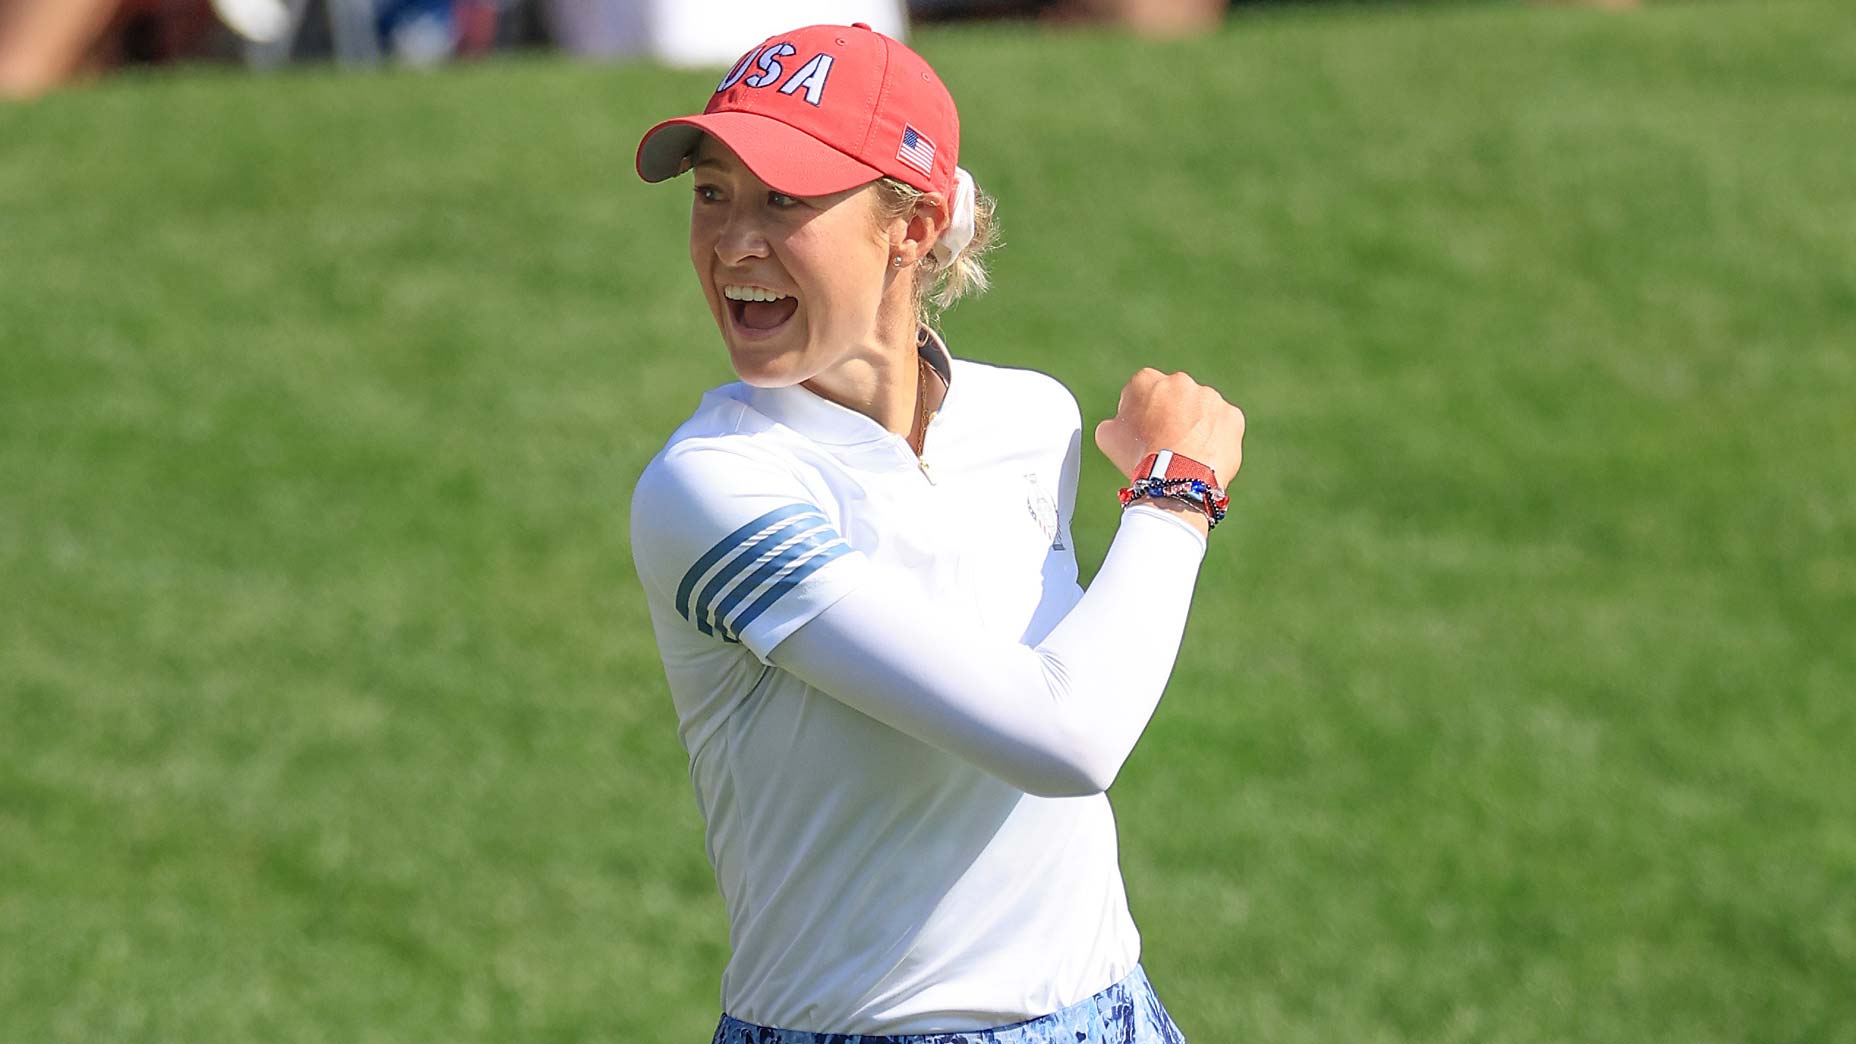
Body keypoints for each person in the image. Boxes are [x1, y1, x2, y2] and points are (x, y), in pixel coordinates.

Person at [629, 21, 1245, 1043]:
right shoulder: (712, 492)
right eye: (711, 193)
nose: (732, 241)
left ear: (910, 226)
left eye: (783, 198)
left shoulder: (1030, 420)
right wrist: (1174, 493)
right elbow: (1066, 737)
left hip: (1114, 1009)